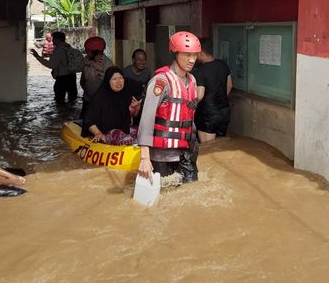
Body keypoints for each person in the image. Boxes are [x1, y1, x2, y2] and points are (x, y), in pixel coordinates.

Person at [137, 31, 201, 183]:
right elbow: (146, 120)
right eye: (187, 54)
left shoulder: (192, 80)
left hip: (185, 153)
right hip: (161, 156)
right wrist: (145, 158)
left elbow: (190, 117)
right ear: (176, 53)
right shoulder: (161, 82)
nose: (192, 60)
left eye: (195, 55)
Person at [82, 66, 142, 146]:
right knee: (122, 136)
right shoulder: (99, 97)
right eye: (114, 79)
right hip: (107, 132)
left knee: (143, 131)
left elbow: (134, 117)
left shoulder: (126, 94)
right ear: (108, 81)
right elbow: (88, 119)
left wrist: (137, 109)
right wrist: (98, 133)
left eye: (121, 78)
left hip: (124, 131)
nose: (119, 82)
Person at [192, 38, 233, 142]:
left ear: (200, 53)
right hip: (224, 111)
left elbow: (200, 95)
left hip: (207, 114)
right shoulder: (223, 65)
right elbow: (229, 85)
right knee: (220, 146)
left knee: (208, 148)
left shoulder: (200, 71)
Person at [30, 31, 78, 104]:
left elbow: (51, 65)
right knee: (72, 100)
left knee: (59, 101)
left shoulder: (58, 50)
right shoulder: (69, 47)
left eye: (53, 39)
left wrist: (37, 57)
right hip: (72, 77)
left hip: (62, 79)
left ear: (58, 39)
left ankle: (61, 115)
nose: (52, 40)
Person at [80, 36, 114, 118]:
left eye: (88, 51)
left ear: (97, 52)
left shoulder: (108, 65)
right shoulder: (86, 60)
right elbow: (83, 79)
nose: (86, 52)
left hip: (102, 102)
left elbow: (112, 86)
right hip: (87, 100)